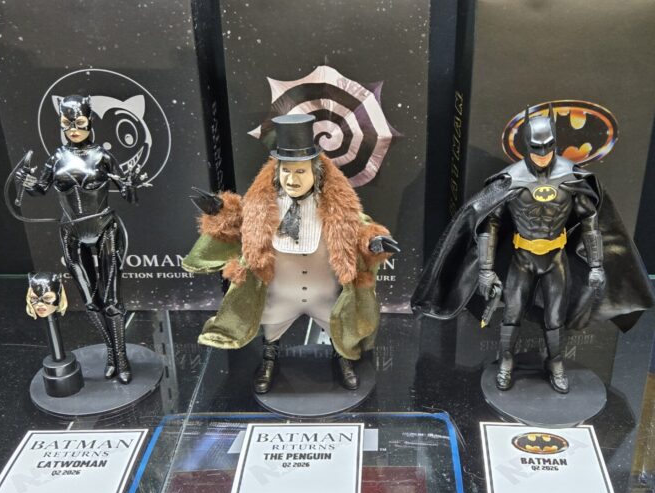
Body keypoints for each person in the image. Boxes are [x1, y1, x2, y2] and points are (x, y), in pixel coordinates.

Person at [412, 106, 654, 393]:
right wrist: (486, 270)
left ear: (555, 143)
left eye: (548, 147)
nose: (542, 154)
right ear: (527, 146)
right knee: (512, 314)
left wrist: (597, 265)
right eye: (536, 148)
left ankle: (555, 362)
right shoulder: (510, 179)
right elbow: (489, 223)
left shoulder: (571, 177)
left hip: (556, 258)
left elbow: (591, 222)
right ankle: (506, 360)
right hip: (522, 258)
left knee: (555, 318)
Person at [183, 114, 399, 393]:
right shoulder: (262, 207)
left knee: (339, 328)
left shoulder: (336, 209)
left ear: (316, 173)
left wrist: (375, 242)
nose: (292, 179)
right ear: (277, 172)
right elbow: (236, 225)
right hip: (280, 294)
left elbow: (361, 229)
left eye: (300, 172)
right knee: (271, 328)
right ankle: (269, 357)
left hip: (325, 295)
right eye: (286, 171)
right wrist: (218, 211)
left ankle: (343, 357)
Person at [15, 95, 146, 384]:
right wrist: (27, 181)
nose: (73, 128)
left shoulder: (103, 156)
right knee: (90, 300)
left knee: (112, 300)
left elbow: (129, 195)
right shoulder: (57, 157)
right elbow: (40, 189)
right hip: (71, 232)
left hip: (105, 228)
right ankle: (111, 353)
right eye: (67, 122)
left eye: (79, 121)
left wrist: (131, 184)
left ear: (90, 121)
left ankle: (121, 358)